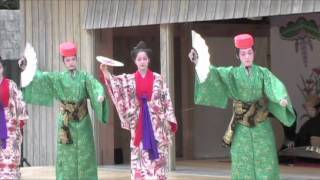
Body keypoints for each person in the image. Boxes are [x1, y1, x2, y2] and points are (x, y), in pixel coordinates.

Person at [189, 34, 296, 179]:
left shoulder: (262, 73)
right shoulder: (232, 74)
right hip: (241, 126)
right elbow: (214, 73)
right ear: (238, 56)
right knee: (241, 163)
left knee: (266, 160)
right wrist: (199, 62)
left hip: (261, 124)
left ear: (254, 53)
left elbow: (274, 86)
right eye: (243, 53)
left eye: (250, 53)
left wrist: (280, 98)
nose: (247, 57)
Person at [19, 42, 109, 180]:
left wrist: (99, 94)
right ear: (64, 61)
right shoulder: (58, 78)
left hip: (83, 119)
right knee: (66, 155)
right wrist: (26, 67)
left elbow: (95, 85)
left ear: (76, 59)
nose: (71, 62)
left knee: (86, 152)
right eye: (68, 60)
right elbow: (42, 78)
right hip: (66, 122)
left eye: (73, 59)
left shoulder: (84, 76)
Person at [100, 41, 177, 180]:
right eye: (139, 59)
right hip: (139, 123)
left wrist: (169, 121)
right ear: (135, 61)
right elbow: (115, 84)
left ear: (149, 60)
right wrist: (105, 71)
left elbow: (166, 100)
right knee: (140, 157)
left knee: (158, 158)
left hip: (157, 124)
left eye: (145, 59)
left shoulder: (158, 78)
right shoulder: (128, 79)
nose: (142, 61)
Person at [0, 57, 28, 179]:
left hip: (10, 128)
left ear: (1, 68)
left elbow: (20, 103)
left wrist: (19, 123)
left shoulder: (11, 84)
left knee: (10, 164)